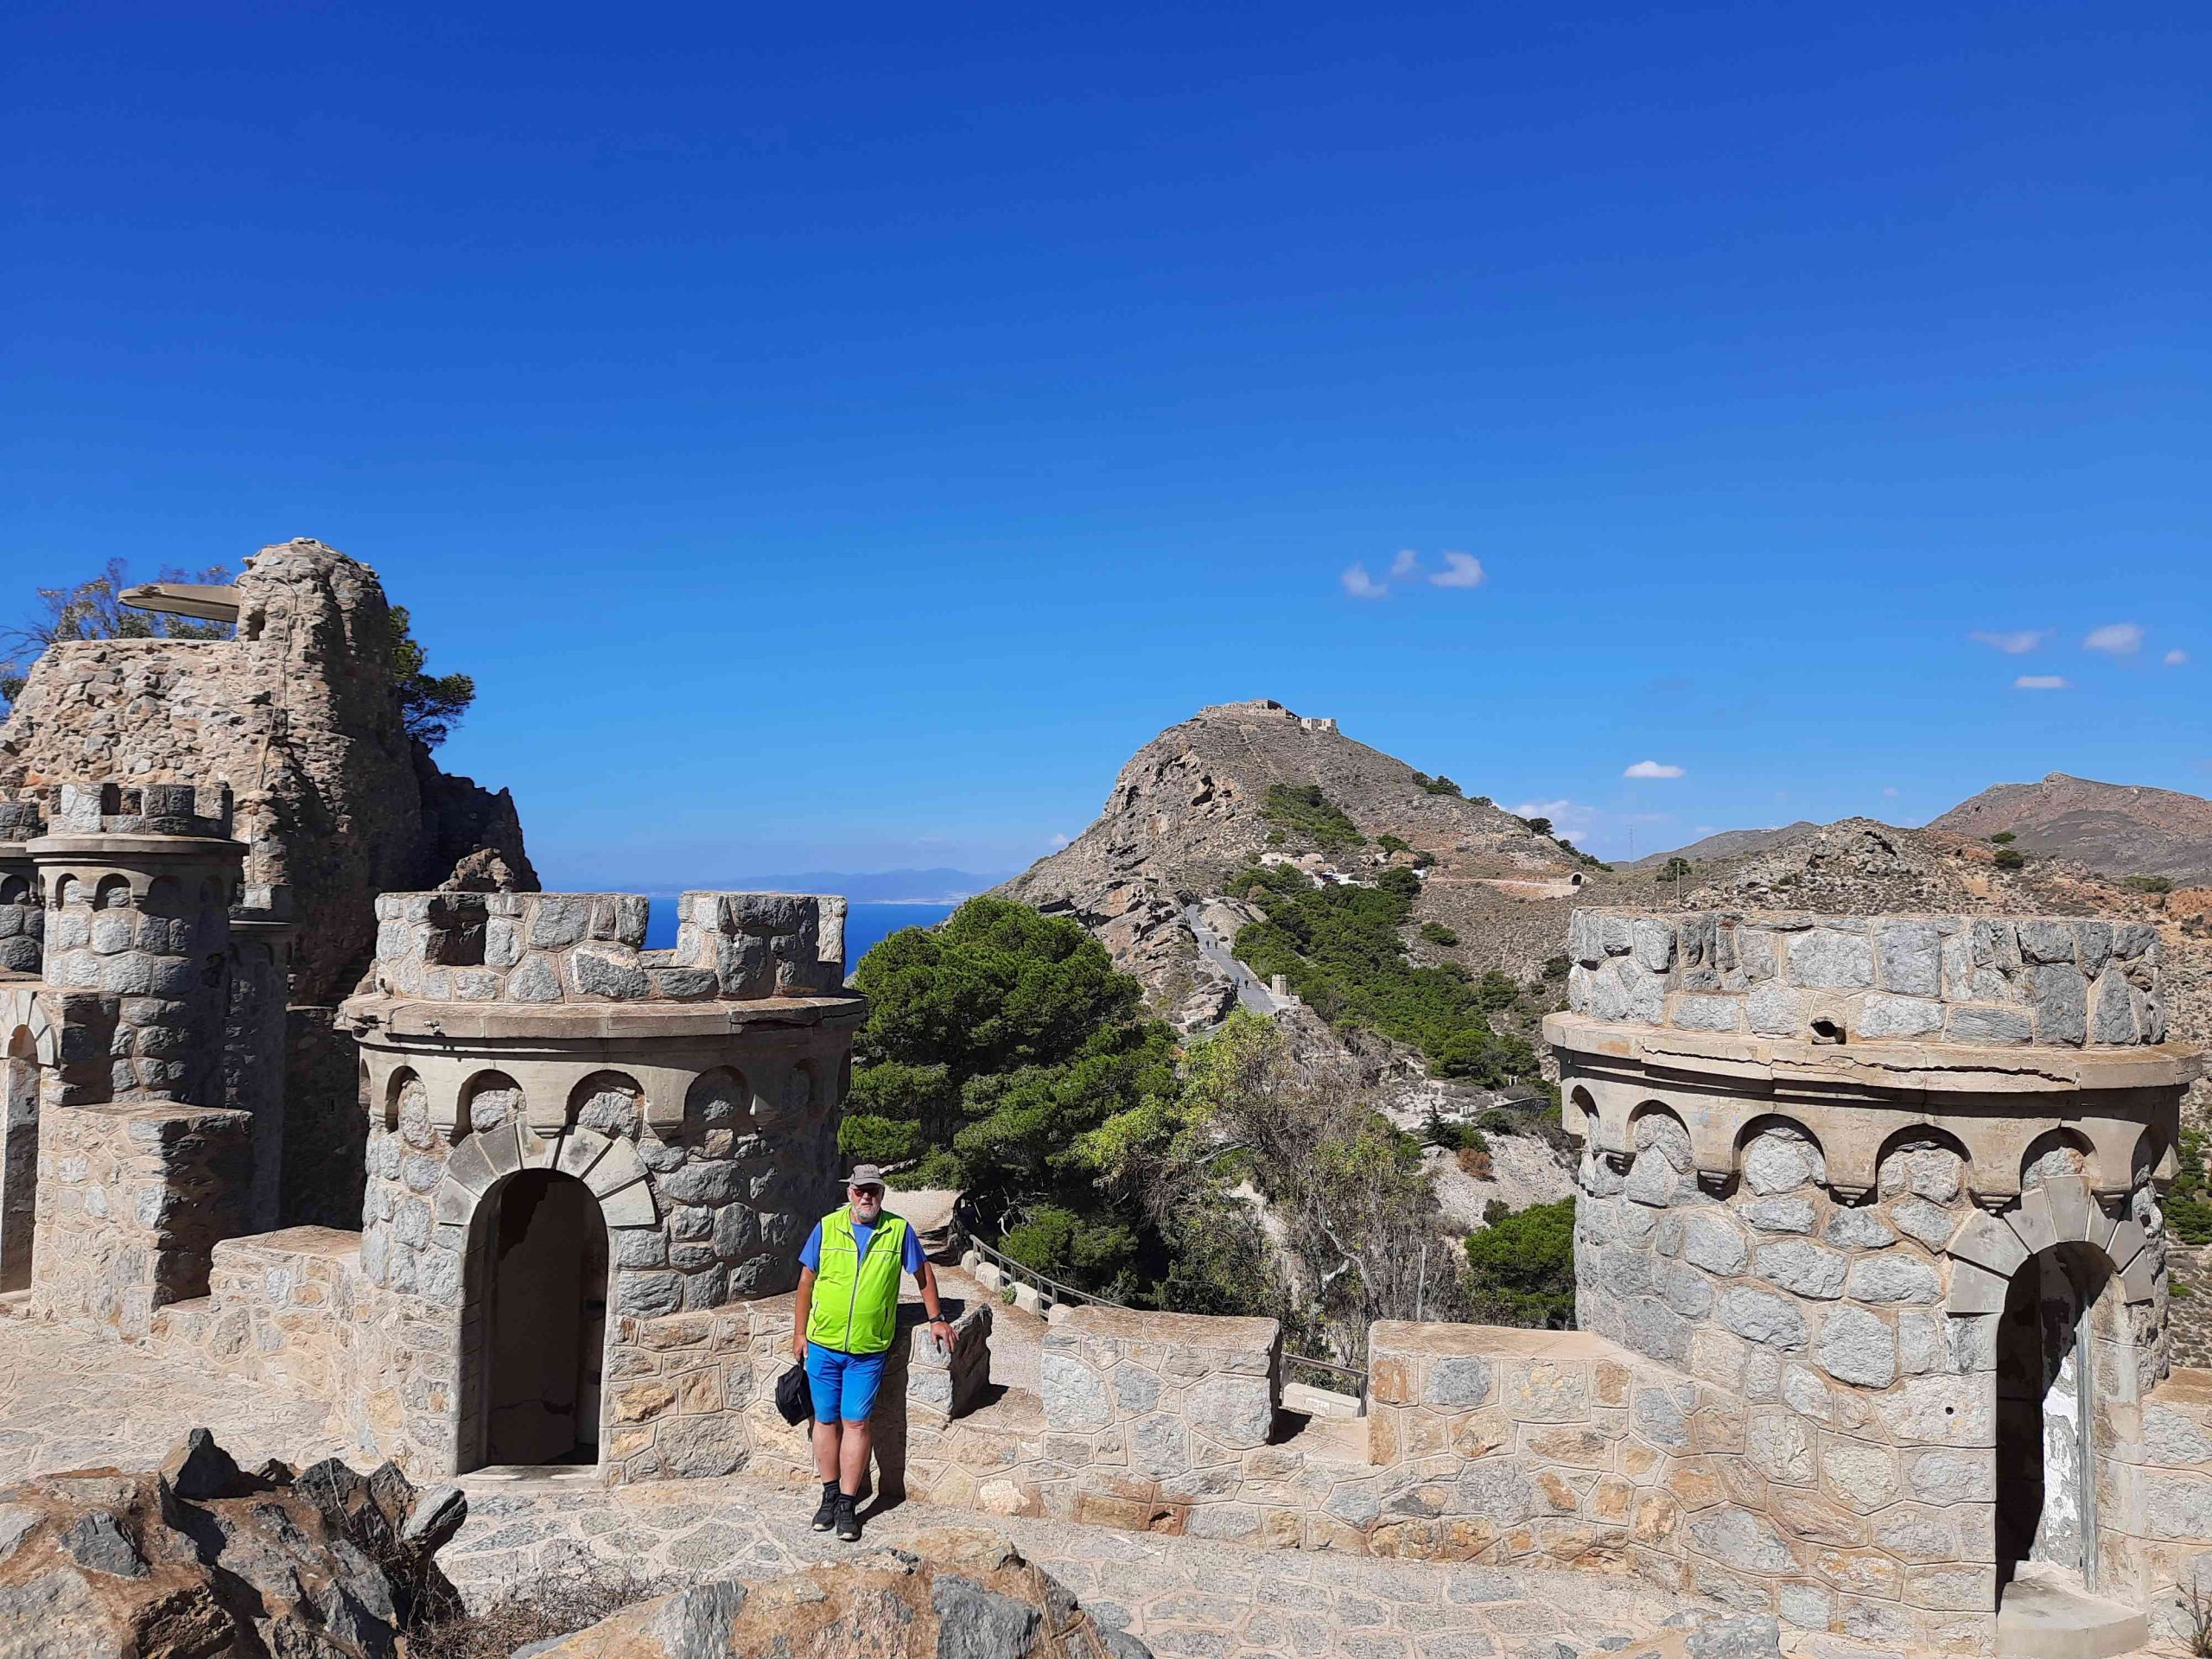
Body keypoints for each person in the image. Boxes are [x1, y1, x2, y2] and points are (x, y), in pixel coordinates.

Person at [791, 1163, 951, 1541]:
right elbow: (805, 1283)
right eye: (860, 1190)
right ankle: (829, 1496)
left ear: (882, 1194)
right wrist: (799, 1333)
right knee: (825, 1420)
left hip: (868, 1349)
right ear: (850, 1192)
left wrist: (937, 1319)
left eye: (873, 1191)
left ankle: (848, 1505)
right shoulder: (827, 1227)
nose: (866, 1197)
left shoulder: (898, 1231)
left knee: (857, 1423)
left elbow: (923, 1275)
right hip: (823, 1344)